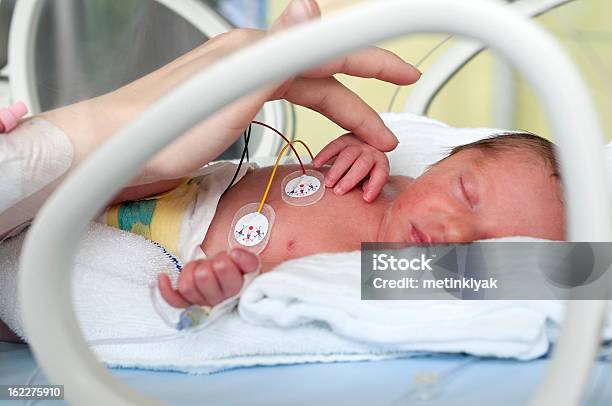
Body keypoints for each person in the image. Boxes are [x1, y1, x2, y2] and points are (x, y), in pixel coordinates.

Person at [0, 0, 420, 342]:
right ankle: (50, 154)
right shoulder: (408, 178)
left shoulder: (430, 259)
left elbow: (477, 273)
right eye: (465, 189)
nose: (454, 221)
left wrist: (209, 294)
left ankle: (50, 156)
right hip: (174, 191)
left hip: (158, 263)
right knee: (150, 171)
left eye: (480, 220)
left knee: (66, 282)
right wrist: (360, 155)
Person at [99, 131, 564, 309]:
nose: (457, 233)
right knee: (99, 167)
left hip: (166, 249)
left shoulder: (379, 271)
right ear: (439, 164)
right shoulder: (388, 179)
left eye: (486, 250)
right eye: (465, 193)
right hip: (188, 185)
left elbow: (581, 274)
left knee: (44, 281)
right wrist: (357, 148)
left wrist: (217, 290)